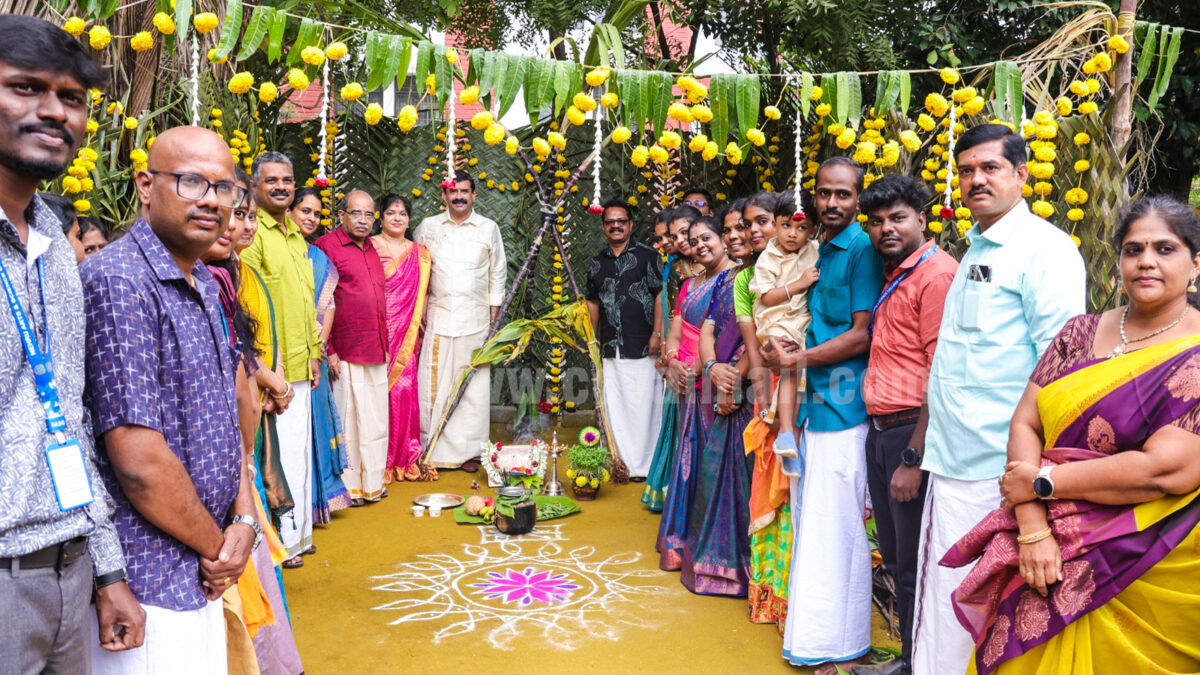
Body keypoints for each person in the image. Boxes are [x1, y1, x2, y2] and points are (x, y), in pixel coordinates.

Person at [943, 196, 1200, 674]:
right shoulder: (1077, 333)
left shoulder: (1196, 352)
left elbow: (1166, 470)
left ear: (1195, 264)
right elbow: (1026, 422)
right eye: (1133, 249)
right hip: (1044, 544)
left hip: (1146, 560)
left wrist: (1041, 484)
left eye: (1165, 249)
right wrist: (1032, 526)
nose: (1146, 261)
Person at [82, 126, 261, 672]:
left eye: (224, 187)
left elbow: (224, 425)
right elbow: (138, 461)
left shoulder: (204, 279)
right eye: (190, 182)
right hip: (148, 579)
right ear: (145, 185)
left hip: (203, 567)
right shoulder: (118, 282)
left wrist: (245, 524)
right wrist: (219, 549)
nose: (211, 199)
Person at [910, 124, 1086, 675]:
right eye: (965, 171)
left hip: (1001, 471)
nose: (975, 180)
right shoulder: (978, 247)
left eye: (990, 167)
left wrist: (1030, 481)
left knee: (986, 609)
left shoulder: (1046, 250)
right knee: (948, 606)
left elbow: (1058, 371)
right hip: (955, 461)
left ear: (1021, 174)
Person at [0, 16, 144, 670]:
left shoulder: (56, 244)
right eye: (26, 88)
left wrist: (107, 567)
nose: (54, 112)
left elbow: (70, 411)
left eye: (73, 98)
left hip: (70, 567)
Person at [765, 157, 885, 672]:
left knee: (835, 526)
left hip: (846, 406)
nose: (831, 203)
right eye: (823, 194)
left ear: (858, 199)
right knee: (815, 523)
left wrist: (794, 361)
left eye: (842, 195)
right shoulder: (819, 248)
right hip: (816, 404)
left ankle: (835, 644)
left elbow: (863, 333)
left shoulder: (860, 248)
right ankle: (817, 638)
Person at [851, 176, 958, 675]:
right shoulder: (897, 272)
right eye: (875, 222)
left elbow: (944, 371)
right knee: (895, 555)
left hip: (910, 433)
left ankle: (920, 665)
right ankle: (910, 658)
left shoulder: (935, 275)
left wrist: (914, 456)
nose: (885, 229)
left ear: (922, 218)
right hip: (883, 429)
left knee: (913, 560)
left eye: (897, 218)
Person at [223, 175, 305, 675]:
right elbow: (237, 357)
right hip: (229, 443)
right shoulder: (220, 274)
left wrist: (267, 384)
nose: (244, 224)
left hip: (249, 422)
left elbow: (244, 350)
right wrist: (269, 379)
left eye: (249, 215)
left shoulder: (234, 272)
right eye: (239, 215)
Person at [244, 151, 323, 566]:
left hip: (300, 365)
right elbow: (249, 304)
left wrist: (313, 354)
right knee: (276, 460)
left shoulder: (295, 235)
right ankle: (281, 546)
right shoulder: (252, 233)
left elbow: (305, 301)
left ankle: (300, 535)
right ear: (256, 185)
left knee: (299, 454)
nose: (281, 187)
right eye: (272, 180)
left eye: (287, 180)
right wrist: (262, 372)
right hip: (271, 369)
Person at [657, 211, 735, 571]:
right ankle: (682, 542)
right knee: (687, 463)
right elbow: (674, 334)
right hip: (688, 388)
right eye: (696, 238)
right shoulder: (690, 284)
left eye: (709, 238)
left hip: (720, 388)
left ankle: (712, 552)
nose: (701, 245)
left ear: (724, 239)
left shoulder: (739, 280)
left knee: (712, 469)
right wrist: (672, 361)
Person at [681, 214, 755, 595]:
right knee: (719, 476)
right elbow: (709, 326)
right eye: (730, 230)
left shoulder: (768, 276)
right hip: (721, 380)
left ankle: (751, 571)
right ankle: (721, 568)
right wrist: (711, 367)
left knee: (749, 477)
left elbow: (764, 331)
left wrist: (735, 378)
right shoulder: (726, 279)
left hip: (754, 387)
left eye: (741, 229)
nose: (736, 235)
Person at [415, 170, 507, 472]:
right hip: (439, 318)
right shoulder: (428, 227)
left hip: (477, 321)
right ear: (444, 196)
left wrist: (494, 319)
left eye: (464, 192)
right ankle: (433, 447)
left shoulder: (488, 228)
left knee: (473, 389)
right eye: (453, 192)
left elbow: (498, 272)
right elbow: (416, 271)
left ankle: (469, 452)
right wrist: (420, 311)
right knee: (434, 384)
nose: (458, 197)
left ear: (474, 195)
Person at [735, 192, 794, 632]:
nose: (754, 231)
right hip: (771, 386)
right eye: (748, 224)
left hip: (807, 377)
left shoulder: (810, 261)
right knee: (768, 475)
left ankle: (796, 597)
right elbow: (753, 345)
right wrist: (763, 398)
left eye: (761, 222)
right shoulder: (748, 280)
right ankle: (770, 595)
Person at [315, 190, 390, 505]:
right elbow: (319, 303)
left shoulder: (372, 247)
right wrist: (328, 348)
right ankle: (349, 489)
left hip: (375, 347)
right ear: (341, 215)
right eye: (356, 213)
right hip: (344, 351)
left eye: (369, 215)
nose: (363, 220)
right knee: (349, 422)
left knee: (375, 421)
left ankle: (372, 483)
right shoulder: (326, 248)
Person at [586, 199, 665, 480]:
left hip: (644, 343)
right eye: (610, 222)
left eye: (621, 221)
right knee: (616, 405)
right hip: (610, 345)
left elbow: (660, 295)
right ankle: (622, 464)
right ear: (603, 226)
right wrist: (591, 341)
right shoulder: (596, 263)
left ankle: (646, 466)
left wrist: (658, 333)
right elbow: (593, 303)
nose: (616, 226)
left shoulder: (648, 257)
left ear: (630, 224)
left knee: (645, 405)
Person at [290, 187, 350, 526]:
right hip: (288, 352)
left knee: (318, 421)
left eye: (315, 213)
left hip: (314, 352)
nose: (311, 218)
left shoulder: (319, 258)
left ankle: (321, 498)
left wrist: (320, 347)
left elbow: (328, 307)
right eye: (305, 211)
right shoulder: (280, 251)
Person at [749, 194, 820, 462]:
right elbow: (766, 297)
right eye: (786, 225)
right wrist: (798, 284)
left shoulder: (814, 249)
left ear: (812, 229)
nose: (792, 234)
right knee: (792, 368)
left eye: (801, 228)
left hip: (801, 319)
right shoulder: (769, 256)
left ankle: (791, 435)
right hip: (776, 320)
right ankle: (787, 431)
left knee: (801, 372)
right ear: (775, 226)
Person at [371, 194, 435, 483]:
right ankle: (377, 459)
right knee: (374, 394)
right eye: (391, 213)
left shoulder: (420, 253)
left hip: (407, 336)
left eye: (403, 214)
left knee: (403, 392)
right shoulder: (370, 247)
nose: (397, 218)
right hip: (376, 332)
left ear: (409, 220)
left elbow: (423, 296)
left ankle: (401, 458)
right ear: (380, 217)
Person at [644, 206, 701, 510]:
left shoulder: (724, 262)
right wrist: (668, 358)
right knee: (678, 419)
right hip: (682, 355)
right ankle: (675, 490)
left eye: (680, 234)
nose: (674, 241)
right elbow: (670, 313)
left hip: (712, 357)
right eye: (668, 236)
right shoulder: (678, 269)